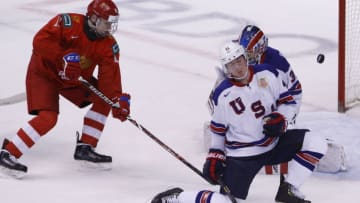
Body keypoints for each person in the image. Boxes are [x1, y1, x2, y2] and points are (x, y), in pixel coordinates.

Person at [151, 42, 327, 203]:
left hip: (273, 143)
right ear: (226, 68)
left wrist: (282, 119)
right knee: (226, 202)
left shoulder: (268, 73)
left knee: (316, 142)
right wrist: (215, 156)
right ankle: (177, 198)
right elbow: (218, 131)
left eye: (239, 60)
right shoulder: (223, 94)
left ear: (246, 58)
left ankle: (288, 190)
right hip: (243, 156)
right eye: (231, 65)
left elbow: (287, 102)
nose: (238, 67)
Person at [0, 0, 130, 178]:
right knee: (48, 118)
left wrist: (117, 100)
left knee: (104, 99)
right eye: (106, 22)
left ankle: (86, 147)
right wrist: (63, 57)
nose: (110, 27)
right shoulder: (67, 22)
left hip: (74, 80)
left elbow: (110, 79)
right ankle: (8, 153)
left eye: (112, 23)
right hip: (45, 74)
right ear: (93, 18)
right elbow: (39, 41)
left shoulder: (108, 45)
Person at [204, 25, 303, 175]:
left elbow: (291, 95)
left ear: (260, 49)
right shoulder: (243, 53)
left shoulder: (275, 64)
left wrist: (283, 117)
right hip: (257, 96)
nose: (246, 58)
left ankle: (276, 162)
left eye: (249, 55)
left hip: (285, 98)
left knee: (275, 128)